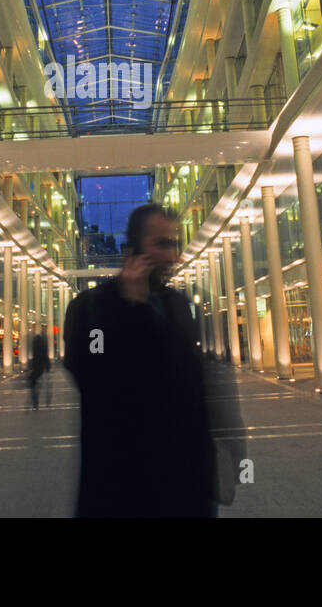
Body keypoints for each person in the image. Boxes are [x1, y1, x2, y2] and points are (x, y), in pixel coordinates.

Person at [63, 203, 244, 517]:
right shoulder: (91, 309)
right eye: (161, 244)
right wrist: (131, 311)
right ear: (133, 249)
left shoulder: (178, 306)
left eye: (173, 244)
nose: (171, 256)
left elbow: (193, 389)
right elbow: (94, 379)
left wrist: (226, 449)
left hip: (187, 490)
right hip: (122, 492)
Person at [27, 331, 50, 409]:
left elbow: (33, 357)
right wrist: (47, 366)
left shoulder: (35, 346)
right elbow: (45, 356)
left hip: (35, 366)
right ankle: (35, 399)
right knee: (36, 384)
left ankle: (35, 401)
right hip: (40, 367)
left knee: (33, 384)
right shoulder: (43, 346)